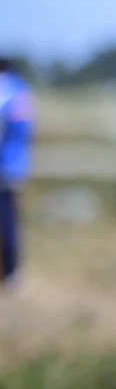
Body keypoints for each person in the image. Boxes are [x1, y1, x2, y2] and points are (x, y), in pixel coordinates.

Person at [0, 57, 35, 290]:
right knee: (11, 220)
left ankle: (10, 273)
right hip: (18, 166)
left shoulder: (4, 88)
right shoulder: (23, 89)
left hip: (3, 165)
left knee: (6, 220)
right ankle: (13, 272)